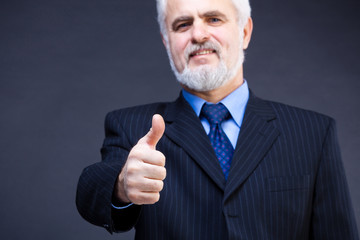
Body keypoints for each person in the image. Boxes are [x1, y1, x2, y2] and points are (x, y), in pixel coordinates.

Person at [76, 0, 359, 239]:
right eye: (182, 25)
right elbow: (92, 189)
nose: (198, 34)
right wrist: (122, 184)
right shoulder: (132, 127)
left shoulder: (313, 132)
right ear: (167, 42)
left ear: (245, 31)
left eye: (213, 19)